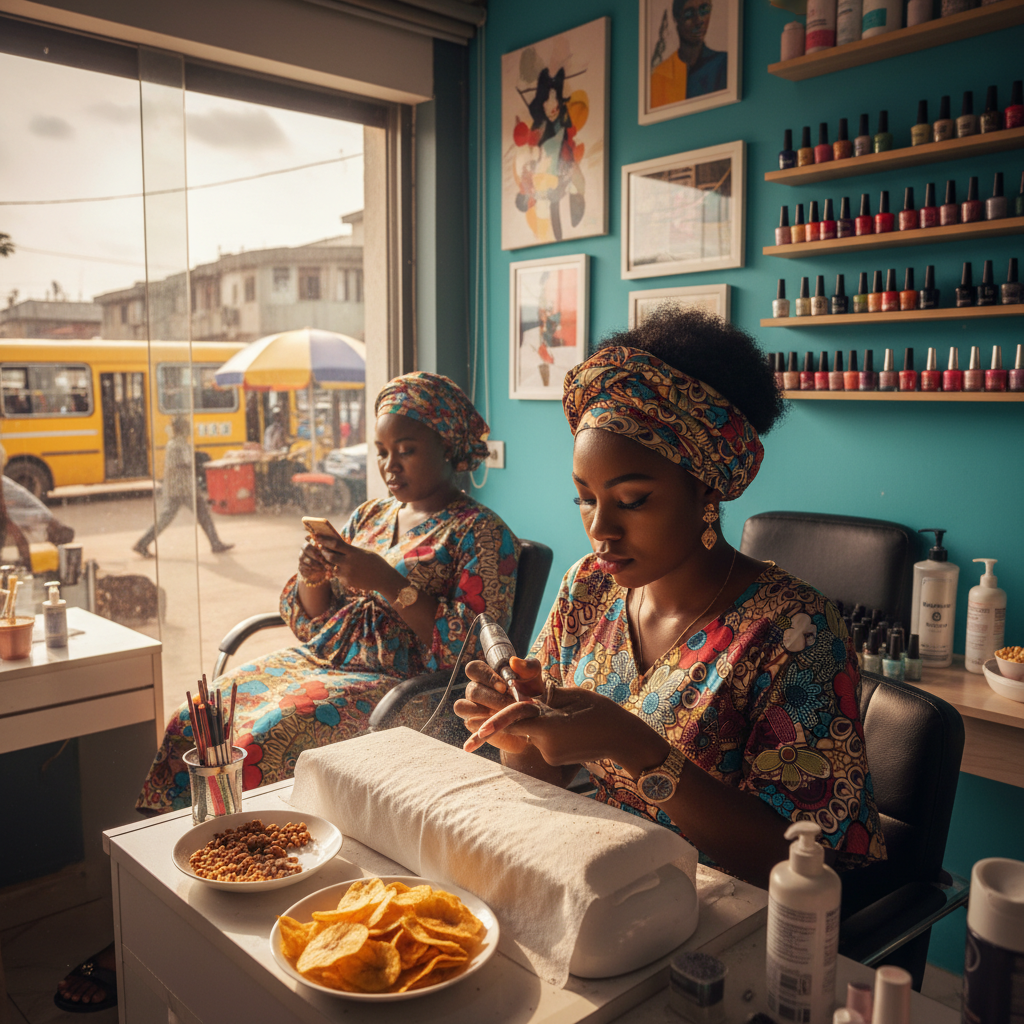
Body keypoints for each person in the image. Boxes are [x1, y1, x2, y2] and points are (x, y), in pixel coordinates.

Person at [455, 308, 886, 889]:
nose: (600, 529)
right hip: (600, 881)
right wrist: (519, 736)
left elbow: (802, 865)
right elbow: (547, 776)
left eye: (631, 500)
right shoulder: (590, 586)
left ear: (707, 488)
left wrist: (634, 746)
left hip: (722, 920)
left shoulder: (795, 632)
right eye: (585, 498)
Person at [136, 371, 519, 814]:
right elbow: (311, 621)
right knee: (202, 715)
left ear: (449, 446)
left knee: (263, 737)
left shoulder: (482, 534)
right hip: (324, 658)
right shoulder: (372, 514)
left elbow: (472, 652)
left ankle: (253, 850)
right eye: (381, 452)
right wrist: (311, 577)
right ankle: (190, 837)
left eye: (406, 450)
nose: (389, 465)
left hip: (407, 687)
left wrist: (388, 582)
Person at [132, 415, 233, 557]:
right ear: (183, 429)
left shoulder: (172, 443)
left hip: (175, 487)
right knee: (202, 515)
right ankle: (215, 543)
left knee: (167, 518)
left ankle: (142, 543)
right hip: (185, 487)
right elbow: (187, 462)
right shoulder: (181, 444)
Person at [512, 67, 587, 244]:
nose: (533, 202)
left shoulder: (531, 184)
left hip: (550, 147)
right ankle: (553, 83)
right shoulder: (540, 191)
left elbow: (534, 162)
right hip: (554, 149)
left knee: (543, 115)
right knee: (550, 116)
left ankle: (550, 82)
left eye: (530, 202)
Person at [650, 0, 728, 108]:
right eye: (689, 14)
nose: (699, 20)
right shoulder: (659, 76)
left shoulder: (723, 63)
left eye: (704, 10)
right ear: (676, 19)